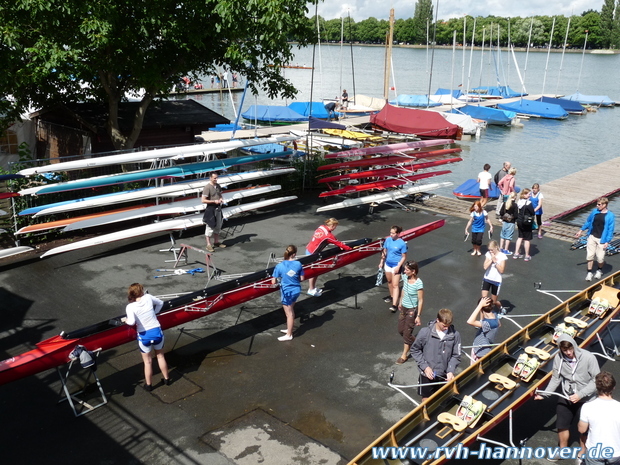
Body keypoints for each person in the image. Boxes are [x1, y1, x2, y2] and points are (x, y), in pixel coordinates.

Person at [535, 335, 600, 461]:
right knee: (562, 424)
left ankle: (583, 452)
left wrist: (580, 394)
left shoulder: (588, 357)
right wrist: (545, 394)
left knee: (584, 428)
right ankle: (562, 451)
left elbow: (596, 380)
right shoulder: (558, 358)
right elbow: (556, 378)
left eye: (571, 349)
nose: (569, 353)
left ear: (574, 346)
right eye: (565, 351)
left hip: (586, 398)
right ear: (560, 349)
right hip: (567, 395)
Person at [125, 283, 171, 391]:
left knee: (147, 362)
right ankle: (167, 379)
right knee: (160, 356)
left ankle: (149, 385)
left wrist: (126, 320)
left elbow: (131, 322)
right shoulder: (148, 297)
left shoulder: (130, 306)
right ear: (141, 291)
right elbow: (160, 303)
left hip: (144, 336)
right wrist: (155, 313)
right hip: (156, 332)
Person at [410, 308, 461, 402]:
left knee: (443, 401)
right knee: (426, 400)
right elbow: (415, 350)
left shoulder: (455, 335)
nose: (446, 328)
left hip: (444, 375)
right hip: (426, 375)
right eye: (444, 325)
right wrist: (425, 367)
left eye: (448, 326)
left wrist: (450, 370)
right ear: (438, 320)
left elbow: (456, 355)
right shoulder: (424, 332)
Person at [578, 371, 620, 465]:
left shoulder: (587, 407)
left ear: (597, 388)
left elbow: (582, 429)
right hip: (616, 452)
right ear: (613, 387)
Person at [305, 218, 351, 296]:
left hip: (309, 249)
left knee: (316, 271)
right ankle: (311, 289)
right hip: (312, 254)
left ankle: (313, 287)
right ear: (332, 225)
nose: (335, 228)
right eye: (335, 226)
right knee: (314, 272)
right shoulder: (328, 235)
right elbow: (335, 241)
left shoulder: (321, 227)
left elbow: (334, 239)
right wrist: (349, 249)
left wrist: (338, 243)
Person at [575, 197, 615, 281]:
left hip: (602, 239)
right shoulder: (595, 212)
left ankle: (599, 270)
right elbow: (588, 222)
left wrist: (607, 241)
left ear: (605, 205)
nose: (597, 206)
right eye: (597, 204)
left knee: (600, 258)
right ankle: (589, 272)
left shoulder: (610, 216)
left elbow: (610, 229)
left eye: (599, 204)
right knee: (590, 256)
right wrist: (581, 230)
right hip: (592, 236)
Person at [271, 245, 304, 342]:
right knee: (291, 310)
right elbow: (302, 278)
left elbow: (273, 282)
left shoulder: (279, 266)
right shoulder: (298, 264)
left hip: (287, 292)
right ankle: (289, 329)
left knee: (289, 314)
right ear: (294, 254)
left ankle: (289, 334)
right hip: (296, 290)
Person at [396, 261, 423, 364]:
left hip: (412, 310)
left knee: (407, 333)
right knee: (401, 330)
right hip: (404, 307)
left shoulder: (418, 283)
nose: (405, 271)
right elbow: (403, 290)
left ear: (413, 271)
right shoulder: (405, 278)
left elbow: (420, 300)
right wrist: (400, 301)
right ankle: (417, 342)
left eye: (407, 270)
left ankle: (404, 355)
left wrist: (418, 315)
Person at [380, 225, 408, 312]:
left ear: (398, 234)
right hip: (388, 264)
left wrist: (399, 266)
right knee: (389, 281)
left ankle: (394, 305)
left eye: (393, 233)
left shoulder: (402, 244)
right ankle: (392, 296)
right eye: (390, 232)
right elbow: (384, 251)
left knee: (395, 285)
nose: (391, 234)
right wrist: (381, 262)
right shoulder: (388, 240)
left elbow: (403, 257)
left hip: (396, 265)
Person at [466, 296, 500, 364]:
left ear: (481, 309)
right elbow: (499, 324)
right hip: (478, 348)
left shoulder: (488, 324)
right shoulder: (494, 315)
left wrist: (480, 305)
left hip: (480, 352)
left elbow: (470, 321)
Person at [202, 172, 226, 252]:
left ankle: (216, 242)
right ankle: (208, 245)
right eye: (214, 178)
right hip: (211, 208)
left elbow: (220, 195)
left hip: (218, 208)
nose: (216, 179)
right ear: (210, 178)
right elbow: (203, 200)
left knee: (218, 225)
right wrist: (214, 201)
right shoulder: (207, 187)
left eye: (217, 178)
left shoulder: (218, 186)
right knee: (210, 226)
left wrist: (221, 199)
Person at [482, 240, 507, 314]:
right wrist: (491, 260)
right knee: (483, 299)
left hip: (496, 281)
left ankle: (501, 308)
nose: (490, 251)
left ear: (496, 247)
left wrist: (495, 262)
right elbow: (485, 267)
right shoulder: (488, 254)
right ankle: (485, 317)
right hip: (487, 278)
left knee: (493, 301)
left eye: (492, 250)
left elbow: (502, 270)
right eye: (489, 250)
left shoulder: (502, 256)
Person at [513, 188, 535, 261]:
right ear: (525, 194)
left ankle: (516, 253)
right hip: (526, 222)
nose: (530, 195)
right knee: (527, 239)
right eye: (529, 194)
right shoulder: (529, 203)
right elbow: (532, 212)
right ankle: (526, 255)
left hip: (520, 221)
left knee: (520, 237)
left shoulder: (519, 202)